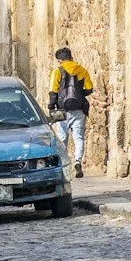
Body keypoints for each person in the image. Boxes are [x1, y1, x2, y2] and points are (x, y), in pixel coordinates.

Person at [48, 46, 95, 175]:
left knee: (62, 138)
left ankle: (63, 165)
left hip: (62, 109)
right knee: (78, 137)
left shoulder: (57, 71)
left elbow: (53, 91)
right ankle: (78, 162)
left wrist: (51, 107)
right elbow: (89, 89)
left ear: (59, 60)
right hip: (78, 108)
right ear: (71, 58)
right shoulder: (82, 70)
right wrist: (79, 92)